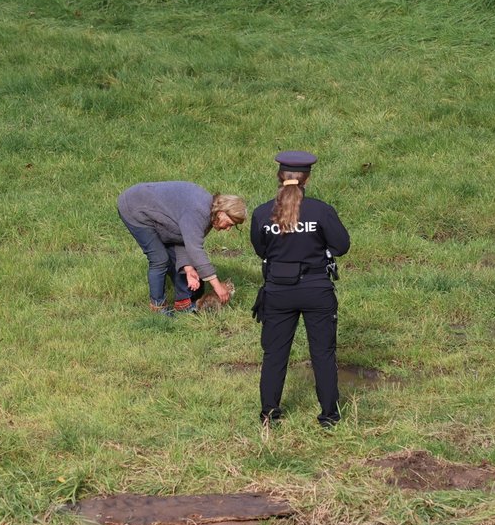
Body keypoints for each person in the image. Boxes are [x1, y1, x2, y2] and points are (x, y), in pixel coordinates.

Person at [250, 151, 350, 428]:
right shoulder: (321, 211)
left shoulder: (261, 212)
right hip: (316, 289)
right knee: (323, 353)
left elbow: (261, 250)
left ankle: (269, 414)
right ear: (307, 177)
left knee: (274, 355)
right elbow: (342, 246)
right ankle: (329, 416)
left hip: (277, 291)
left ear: (279, 176)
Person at [118, 182, 246, 315]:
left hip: (156, 213)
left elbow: (182, 239)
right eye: (230, 224)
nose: (228, 228)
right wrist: (217, 286)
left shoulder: (209, 214)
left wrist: (188, 268)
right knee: (159, 259)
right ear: (221, 213)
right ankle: (158, 308)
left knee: (181, 262)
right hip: (135, 207)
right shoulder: (200, 212)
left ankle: (183, 304)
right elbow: (195, 250)